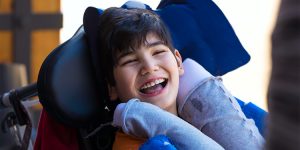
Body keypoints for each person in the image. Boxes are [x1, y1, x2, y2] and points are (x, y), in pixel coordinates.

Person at [92, 7, 264, 150]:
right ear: (111, 87)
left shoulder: (213, 105)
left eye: (158, 52)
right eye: (130, 60)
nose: (150, 67)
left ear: (178, 62)